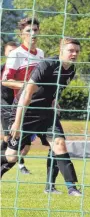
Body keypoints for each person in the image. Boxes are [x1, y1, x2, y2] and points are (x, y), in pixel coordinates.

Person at [1, 37, 83, 196]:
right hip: (27, 112)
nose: (74, 54)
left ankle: (71, 188)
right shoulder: (46, 65)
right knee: (11, 157)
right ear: (61, 50)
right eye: (70, 50)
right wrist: (17, 123)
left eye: (77, 51)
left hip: (47, 113)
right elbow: (26, 94)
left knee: (59, 144)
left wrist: (54, 101)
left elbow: (54, 89)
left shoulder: (72, 69)